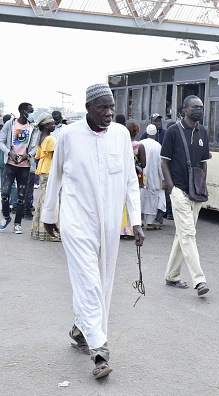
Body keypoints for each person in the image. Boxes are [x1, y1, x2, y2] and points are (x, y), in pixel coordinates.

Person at [41, 83, 144, 379]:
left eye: (112, 107)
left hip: (110, 223)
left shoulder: (122, 136)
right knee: (88, 280)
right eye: (103, 107)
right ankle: (100, 351)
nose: (109, 113)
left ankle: (80, 327)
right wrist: (50, 214)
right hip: (76, 220)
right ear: (88, 108)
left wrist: (135, 221)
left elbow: (129, 180)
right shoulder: (69, 136)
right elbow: (55, 175)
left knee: (103, 281)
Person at [161, 95, 210, 296]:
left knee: (182, 234)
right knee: (189, 233)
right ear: (185, 109)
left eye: (201, 107)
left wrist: (202, 184)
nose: (198, 110)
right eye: (195, 107)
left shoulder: (203, 132)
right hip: (179, 190)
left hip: (195, 192)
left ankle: (171, 275)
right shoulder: (173, 131)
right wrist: (172, 188)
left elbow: (204, 162)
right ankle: (199, 280)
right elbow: (164, 161)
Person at [0, 102, 37, 234]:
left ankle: (18, 224)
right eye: (30, 111)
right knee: (4, 193)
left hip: (25, 166)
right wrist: (8, 152)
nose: (32, 113)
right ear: (23, 111)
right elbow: (1, 141)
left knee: (21, 196)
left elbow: (36, 146)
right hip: (10, 164)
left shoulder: (33, 127)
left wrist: (27, 155)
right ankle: (6, 217)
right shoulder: (10, 124)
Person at [30, 113, 60, 241]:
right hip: (49, 170)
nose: (54, 125)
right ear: (46, 126)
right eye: (52, 123)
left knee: (43, 199)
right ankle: (48, 231)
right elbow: (56, 156)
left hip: (43, 170)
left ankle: (39, 230)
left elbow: (38, 155)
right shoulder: (50, 139)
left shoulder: (42, 138)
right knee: (50, 200)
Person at [120, 120, 146, 238]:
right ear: (137, 131)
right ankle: (131, 228)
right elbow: (144, 164)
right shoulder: (139, 146)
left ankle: (122, 228)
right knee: (133, 201)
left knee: (122, 203)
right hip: (134, 176)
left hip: (121, 176)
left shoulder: (120, 144)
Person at [140, 124, 166, 229]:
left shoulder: (140, 143)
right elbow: (161, 165)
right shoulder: (158, 146)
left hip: (141, 177)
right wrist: (164, 179)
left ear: (146, 133)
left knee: (140, 198)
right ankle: (150, 223)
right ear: (155, 134)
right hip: (154, 178)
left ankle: (139, 221)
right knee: (152, 200)